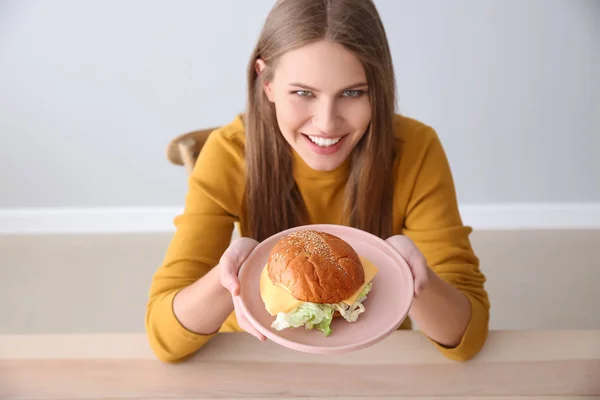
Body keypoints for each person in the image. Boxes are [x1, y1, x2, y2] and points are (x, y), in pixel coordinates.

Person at [145, 0, 490, 363]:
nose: (326, 123)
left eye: (353, 93)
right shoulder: (231, 153)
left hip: (374, 354)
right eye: (304, 93)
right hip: (255, 349)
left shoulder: (416, 149)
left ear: (379, 89)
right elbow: (164, 339)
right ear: (268, 84)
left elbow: (467, 338)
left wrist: (416, 280)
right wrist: (225, 279)